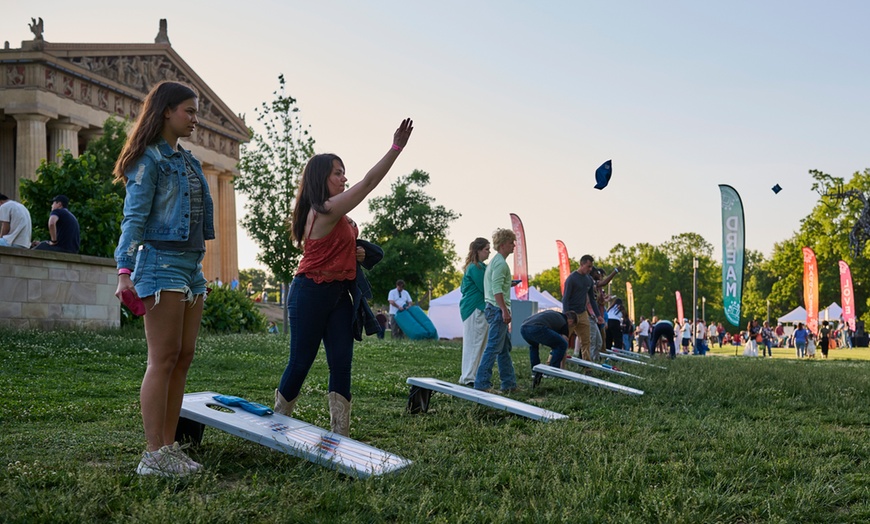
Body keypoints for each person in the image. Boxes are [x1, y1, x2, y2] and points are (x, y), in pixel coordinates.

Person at [274, 118, 414, 438]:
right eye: (338, 172)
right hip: (310, 292)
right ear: (321, 177)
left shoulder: (341, 216)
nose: (344, 177)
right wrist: (396, 148)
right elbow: (367, 184)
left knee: (342, 363)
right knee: (301, 362)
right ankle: (277, 426)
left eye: (343, 172)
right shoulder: (321, 210)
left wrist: (357, 252)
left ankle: (341, 434)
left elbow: (338, 246)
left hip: (339, 295)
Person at [113, 81, 213, 477]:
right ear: (167, 111)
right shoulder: (148, 160)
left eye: (196, 111)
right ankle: (153, 454)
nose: (194, 118)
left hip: (192, 267)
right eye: (189, 111)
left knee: (183, 358)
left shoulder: (188, 161)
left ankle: (168, 449)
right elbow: (133, 219)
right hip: (160, 264)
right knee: (163, 358)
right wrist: (125, 271)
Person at [474, 228, 518, 393]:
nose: (514, 245)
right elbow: (496, 289)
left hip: (493, 308)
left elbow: (497, 285)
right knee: (493, 347)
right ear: (503, 244)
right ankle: (482, 383)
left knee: (504, 348)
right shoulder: (500, 263)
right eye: (511, 242)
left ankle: (509, 384)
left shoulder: (496, 262)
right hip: (497, 309)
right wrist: (504, 310)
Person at [459, 237, 490, 387]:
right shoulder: (475, 268)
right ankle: (468, 378)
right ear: (478, 250)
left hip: (477, 308)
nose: (489, 252)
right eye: (486, 249)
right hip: (475, 309)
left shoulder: (480, 267)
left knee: (479, 344)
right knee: (474, 344)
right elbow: (485, 288)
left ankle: (472, 376)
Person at [522, 310, 577, 387]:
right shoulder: (564, 323)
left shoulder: (555, 315)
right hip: (537, 327)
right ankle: (552, 371)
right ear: (570, 321)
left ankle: (535, 370)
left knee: (534, 346)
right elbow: (564, 343)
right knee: (562, 344)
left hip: (524, 327)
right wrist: (563, 368)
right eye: (571, 326)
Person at [562, 255, 601, 361]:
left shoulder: (589, 280)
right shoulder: (571, 279)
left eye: (591, 267)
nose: (590, 269)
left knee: (586, 341)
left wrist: (598, 315)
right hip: (570, 313)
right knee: (563, 340)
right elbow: (565, 298)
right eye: (588, 266)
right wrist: (567, 314)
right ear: (582, 264)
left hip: (583, 313)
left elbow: (592, 299)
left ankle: (587, 366)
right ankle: (552, 362)